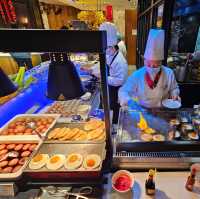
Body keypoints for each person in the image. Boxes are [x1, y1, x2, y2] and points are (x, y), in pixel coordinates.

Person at [119, 29, 180, 108]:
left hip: (163, 110)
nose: (151, 67)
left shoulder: (168, 73)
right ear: (144, 61)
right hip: (143, 111)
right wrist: (129, 101)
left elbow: (174, 88)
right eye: (148, 64)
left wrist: (174, 94)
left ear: (161, 63)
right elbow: (123, 91)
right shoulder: (137, 75)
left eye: (155, 66)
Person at [82, 22, 128, 123]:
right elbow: (102, 64)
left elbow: (119, 80)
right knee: (108, 105)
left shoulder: (120, 61)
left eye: (106, 48)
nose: (104, 51)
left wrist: (103, 77)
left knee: (115, 107)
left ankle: (116, 124)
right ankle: (110, 119)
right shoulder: (109, 54)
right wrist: (92, 70)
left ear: (112, 47)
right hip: (109, 87)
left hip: (117, 89)